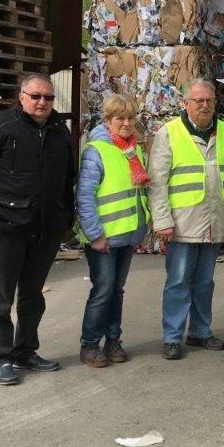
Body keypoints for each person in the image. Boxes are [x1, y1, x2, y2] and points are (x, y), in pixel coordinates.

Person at [0, 73, 75, 385]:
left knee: (32, 296)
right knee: (1, 299)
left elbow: (69, 177)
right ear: (22, 96)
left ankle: (26, 350)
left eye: (48, 98)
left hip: (44, 231)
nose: (42, 102)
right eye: (36, 96)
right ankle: (2, 357)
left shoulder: (59, 133)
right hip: (6, 229)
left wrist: (64, 218)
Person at [149, 79, 224, 361]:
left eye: (209, 101)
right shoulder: (170, 132)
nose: (204, 106)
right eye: (198, 101)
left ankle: (200, 332)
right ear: (186, 104)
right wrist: (162, 220)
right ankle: (172, 337)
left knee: (205, 282)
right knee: (178, 281)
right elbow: (157, 182)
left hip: (215, 221)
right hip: (181, 223)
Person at [76, 94, 150, 368]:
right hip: (103, 237)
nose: (126, 123)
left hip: (127, 234)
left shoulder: (133, 150)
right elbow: (85, 195)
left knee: (116, 290)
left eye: (131, 118)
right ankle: (90, 344)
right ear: (108, 120)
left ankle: (113, 340)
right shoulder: (97, 150)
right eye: (120, 118)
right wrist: (95, 234)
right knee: (103, 289)